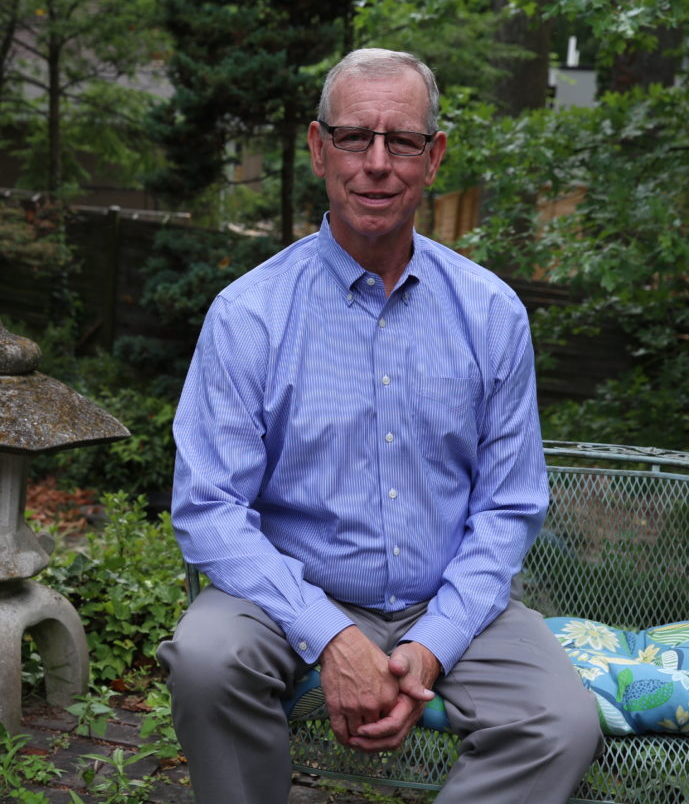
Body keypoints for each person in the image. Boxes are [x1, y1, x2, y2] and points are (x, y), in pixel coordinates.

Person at [157, 48, 602, 804]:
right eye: (355, 136)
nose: (376, 162)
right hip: (286, 594)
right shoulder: (250, 316)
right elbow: (209, 509)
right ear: (318, 147)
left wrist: (433, 642)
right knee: (206, 659)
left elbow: (508, 505)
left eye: (402, 140)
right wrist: (331, 634)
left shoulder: (491, 314)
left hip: (446, 597)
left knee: (558, 722)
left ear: (435, 157)